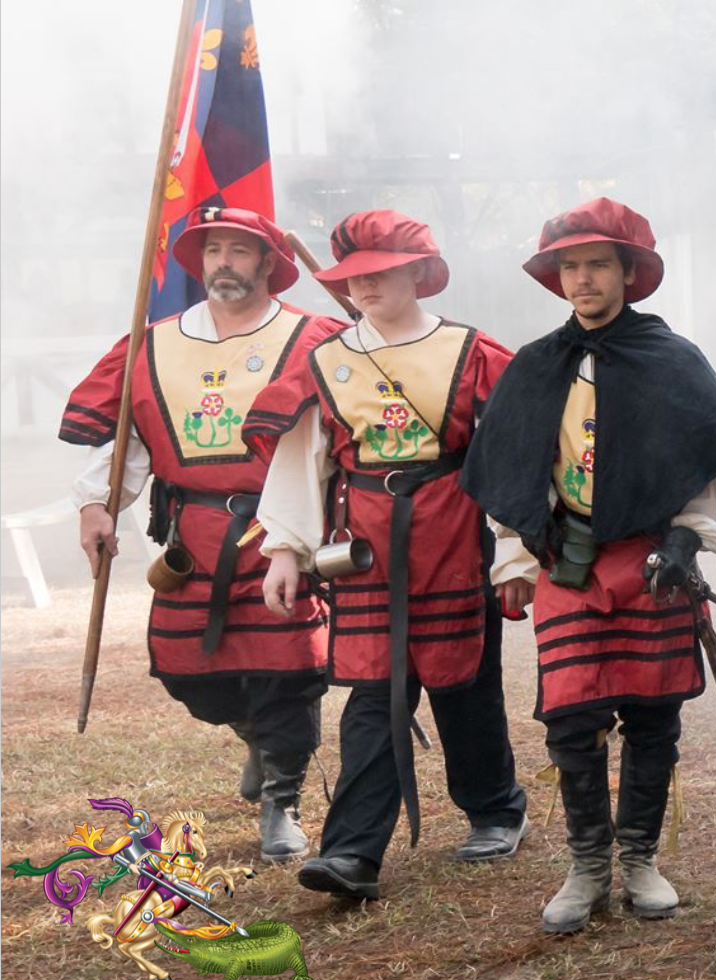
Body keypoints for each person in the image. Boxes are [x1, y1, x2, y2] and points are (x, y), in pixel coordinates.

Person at [461, 197, 716, 933]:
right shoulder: (534, 368)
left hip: (650, 563)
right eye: (569, 266)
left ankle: (639, 861)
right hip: (569, 567)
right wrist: (515, 559)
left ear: (629, 272)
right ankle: (586, 865)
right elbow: (511, 476)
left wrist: (687, 543)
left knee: (652, 718)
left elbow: (709, 473)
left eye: (597, 264)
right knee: (572, 718)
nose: (582, 279)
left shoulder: (673, 361)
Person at [243, 209, 532, 900]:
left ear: (417, 274)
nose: (364, 288)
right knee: (374, 694)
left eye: (378, 274)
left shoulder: (473, 352)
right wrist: (284, 549)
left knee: (464, 683)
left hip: (454, 532)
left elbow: (510, 461)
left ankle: (495, 809)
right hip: (368, 548)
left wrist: (516, 556)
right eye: (353, 278)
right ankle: (352, 852)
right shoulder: (327, 361)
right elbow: (301, 462)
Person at [60, 207, 341, 862]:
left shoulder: (312, 336)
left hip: (282, 529)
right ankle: (253, 736)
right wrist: (94, 506)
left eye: (240, 251)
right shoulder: (154, 342)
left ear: (269, 264)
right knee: (191, 673)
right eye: (214, 250)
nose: (224, 263)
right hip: (194, 536)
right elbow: (131, 441)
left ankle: (283, 799)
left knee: (288, 672)